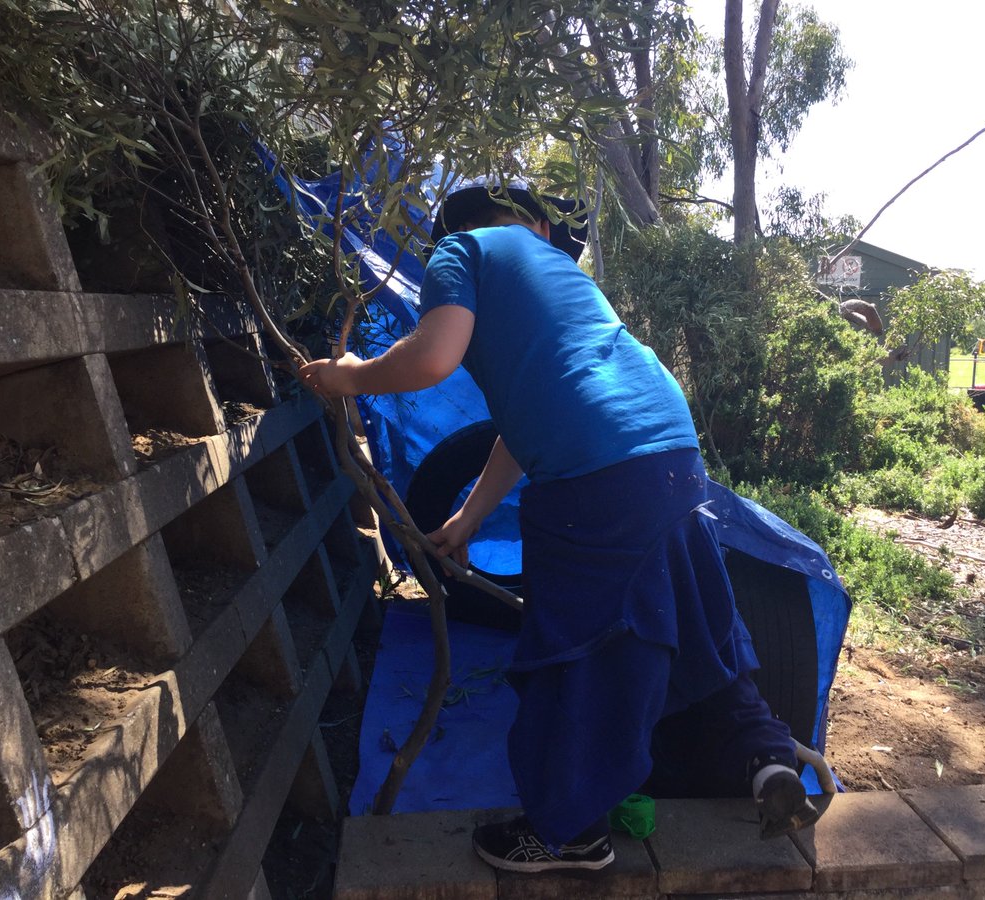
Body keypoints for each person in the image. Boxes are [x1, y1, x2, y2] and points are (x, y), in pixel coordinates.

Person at [299, 177, 819, 874]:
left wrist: (348, 377)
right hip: (671, 453)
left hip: (596, 476)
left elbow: (433, 356)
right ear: (538, 226)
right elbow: (523, 428)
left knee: (573, 651)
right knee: (695, 622)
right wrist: (468, 516)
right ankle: (764, 755)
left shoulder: (465, 248)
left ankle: (567, 832)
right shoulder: (564, 281)